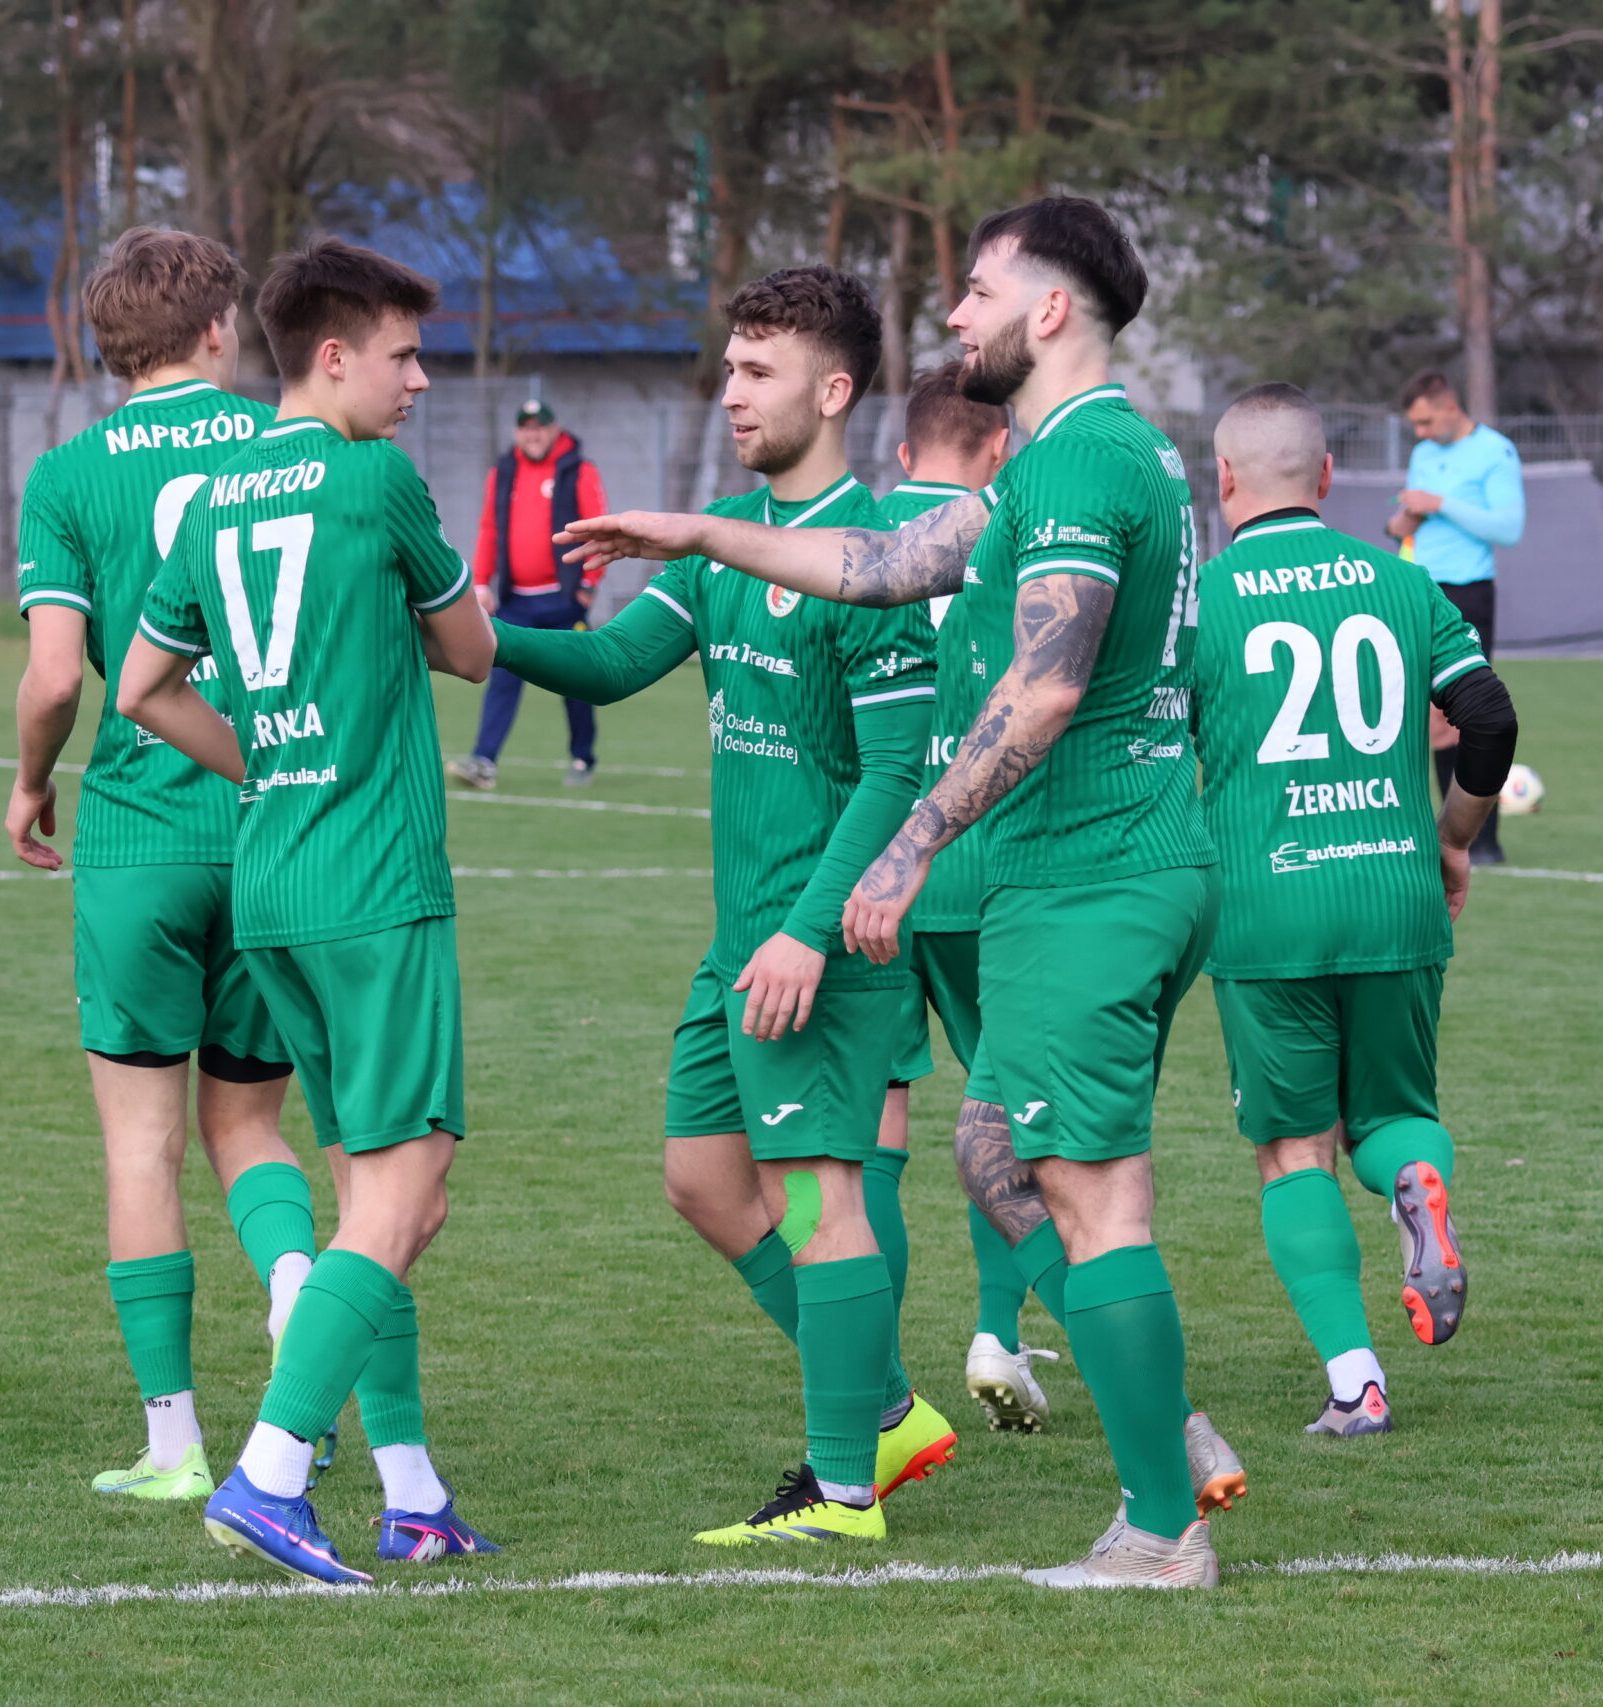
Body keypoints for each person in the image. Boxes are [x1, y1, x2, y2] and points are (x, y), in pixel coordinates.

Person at [563, 195, 1246, 1589]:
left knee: (1092, 1193)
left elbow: (1045, 687)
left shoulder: (1083, 460)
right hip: (1110, 866)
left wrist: (910, 841)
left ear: (1049, 307)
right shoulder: (1077, 457)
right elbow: (879, 565)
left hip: (1089, 871)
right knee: (995, 1155)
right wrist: (699, 533)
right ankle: (1166, 1433)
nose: (954, 313)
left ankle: (1160, 1526)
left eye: (978, 289)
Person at [499, 266, 957, 1546]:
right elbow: (608, 662)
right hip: (739, 939)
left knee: (818, 1200)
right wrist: (466, 634)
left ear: (835, 390)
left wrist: (809, 931)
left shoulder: (873, 564)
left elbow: (896, 775)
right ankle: (884, 1406)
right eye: (731, 367)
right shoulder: (723, 544)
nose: (733, 393)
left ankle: (842, 1488)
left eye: (760, 372)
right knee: (704, 1178)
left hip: (819, 937)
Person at [120, 236, 499, 1584]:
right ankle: (271, 1473)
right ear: (333, 356)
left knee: (370, 1196)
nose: (420, 381)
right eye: (404, 356)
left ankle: (411, 1490)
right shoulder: (375, 477)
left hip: (273, 879)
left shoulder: (211, 496)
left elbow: (142, 688)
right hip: (375, 884)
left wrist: (269, 763)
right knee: (405, 1192)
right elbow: (472, 651)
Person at [7, 226, 321, 1503]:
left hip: (139, 837)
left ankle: (175, 1446)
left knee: (141, 1146)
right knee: (249, 1121)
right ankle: (296, 1291)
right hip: (276, 826)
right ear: (215, 331)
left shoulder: (68, 474)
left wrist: (31, 781)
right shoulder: (293, 443)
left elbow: (54, 679)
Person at [1195, 383, 1517, 1436]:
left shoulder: (1201, 601)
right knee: (1391, 1115)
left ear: (1223, 478)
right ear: (1328, 476)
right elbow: (1488, 716)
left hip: (1264, 907)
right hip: (1393, 892)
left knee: (1295, 1149)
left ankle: (1356, 1383)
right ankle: (1416, 1178)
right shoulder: (1401, 581)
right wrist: (1454, 837)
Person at [877, 362, 1060, 1433]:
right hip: (990, 868)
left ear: (905, 450)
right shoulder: (1019, 538)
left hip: (875, 877)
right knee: (1009, 1121)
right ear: (1000, 451)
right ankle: (997, 1329)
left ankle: (874, 1378)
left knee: (874, 1134)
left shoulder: (858, 535)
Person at [1387, 370, 1522, 864]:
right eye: (1414, 425)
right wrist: (1402, 520)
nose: (1419, 432)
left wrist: (1440, 503)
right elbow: (1407, 523)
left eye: (1425, 421)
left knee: (1463, 716)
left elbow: (1509, 527)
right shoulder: (1424, 454)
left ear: (1450, 406)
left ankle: (1479, 841)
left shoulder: (1495, 452)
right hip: (1416, 591)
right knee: (1423, 718)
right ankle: (1446, 836)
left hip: (1467, 591)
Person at [446, 400, 608, 789]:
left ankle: (582, 758)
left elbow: (598, 528)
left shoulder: (578, 469)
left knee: (576, 681)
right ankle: (484, 761)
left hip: (563, 601)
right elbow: (489, 528)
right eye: (526, 427)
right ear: (517, 432)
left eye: (540, 427)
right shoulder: (503, 472)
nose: (533, 434)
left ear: (554, 430)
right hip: (516, 602)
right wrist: (481, 583)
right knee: (501, 677)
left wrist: (588, 585)